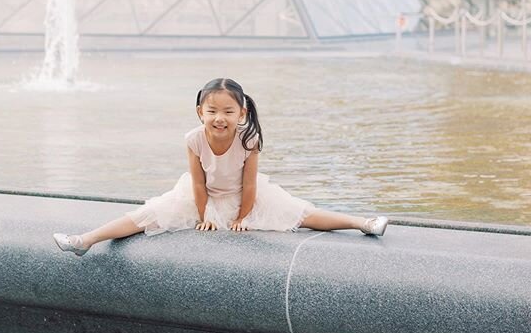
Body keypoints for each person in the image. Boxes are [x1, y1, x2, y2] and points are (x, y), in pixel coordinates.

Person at [53, 78, 388, 256]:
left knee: (303, 215)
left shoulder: (248, 140)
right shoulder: (194, 138)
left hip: (245, 195)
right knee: (146, 216)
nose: (220, 118)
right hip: (201, 197)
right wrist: (205, 217)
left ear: (241, 114)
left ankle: (363, 222)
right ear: (200, 112)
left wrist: (242, 217)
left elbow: (252, 185)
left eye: (228, 112)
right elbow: (198, 184)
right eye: (212, 111)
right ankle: (85, 241)